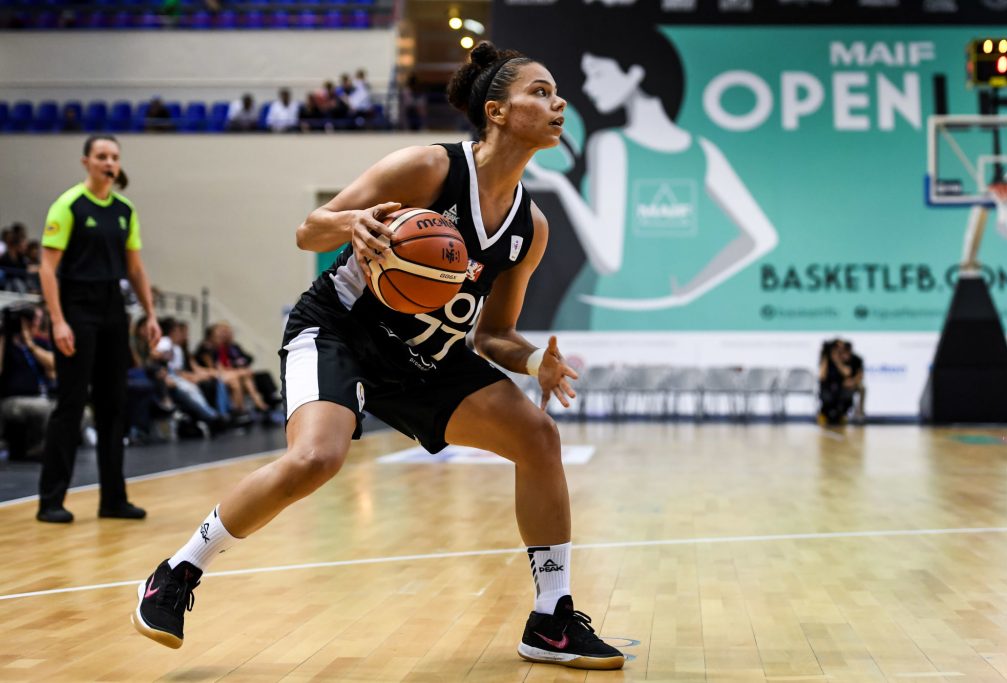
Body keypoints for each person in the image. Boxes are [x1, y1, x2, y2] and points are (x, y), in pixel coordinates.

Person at [132, 42, 625, 671]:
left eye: (556, 94)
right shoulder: (428, 168)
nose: (557, 103)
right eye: (540, 91)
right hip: (343, 329)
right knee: (316, 459)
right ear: (496, 111)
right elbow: (309, 229)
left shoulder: (531, 227)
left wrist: (534, 364)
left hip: (430, 359)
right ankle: (176, 573)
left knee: (538, 436)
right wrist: (354, 223)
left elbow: (492, 334)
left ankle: (551, 619)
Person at [524, 19, 777, 329]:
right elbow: (761, 236)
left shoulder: (611, 145)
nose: (589, 87)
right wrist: (689, 291)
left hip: (605, 312)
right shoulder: (702, 150)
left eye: (598, 74)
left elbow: (608, 260)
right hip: (678, 317)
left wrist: (561, 185)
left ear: (634, 73)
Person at [36, 134, 161, 524]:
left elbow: (136, 268)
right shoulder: (68, 204)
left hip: (112, 310)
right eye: (102, 156)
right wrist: (58, 320)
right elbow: (46, 268)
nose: (109, 162)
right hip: (76, 308)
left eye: (114, 157)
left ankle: (113, 499)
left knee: (114, 405)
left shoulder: (125, 209)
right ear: (86, 162)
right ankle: (51, 500)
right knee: (71, 405)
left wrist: (151, 315)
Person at [0, 303, 56, 461]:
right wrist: (3, 335)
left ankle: (38, 448)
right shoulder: (7, 344)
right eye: (32, 319)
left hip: (39, 397)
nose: (35, 323)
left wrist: (30, 344)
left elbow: (53, 367)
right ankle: (38, 450)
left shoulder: (38, 344)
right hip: (12, 400)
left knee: (62, 409)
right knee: (45, 409)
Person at [818, 338, 853, 426]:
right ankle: (824, 414)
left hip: (840, 387)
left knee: (847, 395)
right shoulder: (825, 359)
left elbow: (847, 373)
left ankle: (842, 415)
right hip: (828, 387)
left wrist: (837, 361)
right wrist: (827, 357)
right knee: (827, 397)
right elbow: (822, 376)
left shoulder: (844, 358)